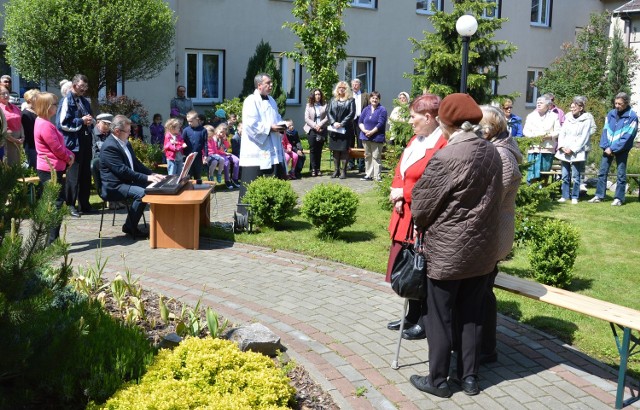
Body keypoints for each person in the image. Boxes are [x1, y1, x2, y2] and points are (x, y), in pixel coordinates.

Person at [410, 93, 503, 399]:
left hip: (448, 251)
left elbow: (421, 207)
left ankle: (438, 381)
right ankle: (470, 378)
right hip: (482, 250)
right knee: (472, 314)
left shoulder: (447, 156)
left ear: (446, 123)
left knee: (440, 316)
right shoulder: (492, 152)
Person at [385, 93, 447, 341]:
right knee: (406, 266)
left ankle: (423, 320)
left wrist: (405, 194)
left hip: (420, 215)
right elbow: (402, 169)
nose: (410, 122)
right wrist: (397, 190)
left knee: (420, 267)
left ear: (429, 117)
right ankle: (411, 315)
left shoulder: (441, 143)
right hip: (403, 214)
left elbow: (432, 182)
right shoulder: (416, 139)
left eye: (414, 117)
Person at [478, 105, 523, 364]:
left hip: (494, 234)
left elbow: (494, 197)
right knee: (482, 290)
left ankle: (486, 349)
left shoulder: (502, 155)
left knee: (483, 293)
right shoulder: (495, 148)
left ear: (490, 127)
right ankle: (483, 346)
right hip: (488, 232)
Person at [99, 115, 165, 239]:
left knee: (157, 186)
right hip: (114, 186)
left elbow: (136, 163)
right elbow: (123, 171)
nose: (130, 134)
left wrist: (151, 174)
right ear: (117, 131)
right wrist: (146, 178)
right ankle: (129, 226)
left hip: (126, 182)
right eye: (128, 131)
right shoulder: (109, 147)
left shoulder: (125, 142)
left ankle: (164, 224)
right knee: (143, 194)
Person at [238, 73, 287, 213]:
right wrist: (270, 128)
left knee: (271, 179)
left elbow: (277, 117)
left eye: (271, 83)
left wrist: (282, 125)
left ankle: (269, 212)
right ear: (259, 85)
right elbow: (250, 125)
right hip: (256, 148)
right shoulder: (250, 101)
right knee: (251, 182)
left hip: (271, 146)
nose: (271, 85)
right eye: (268, 83)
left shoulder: (272, 100)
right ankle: (246, 214)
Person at [33, 92, 75, 244]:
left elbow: (59, 146)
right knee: (56, 203)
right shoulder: (45, 125)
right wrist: (68, 157)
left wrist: (69, 154)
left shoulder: (43, 122)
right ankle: (52, 241)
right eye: (55, 104)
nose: (57, 107)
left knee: (54, 202)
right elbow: (56, 148)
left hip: (51, 167)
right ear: (47, 107)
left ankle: (52, 240)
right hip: (50, 169)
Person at [589, 92, 638, 206]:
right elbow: (605, 131)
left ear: (626, 103)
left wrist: (613, 148)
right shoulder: (611, 113)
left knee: (621, 174)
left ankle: (619, 198)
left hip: (622, 149)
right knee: (602, 172)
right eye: (615, 103)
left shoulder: (632, 116)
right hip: (607, 149)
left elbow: (629, 136)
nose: (617, 106)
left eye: (619, 104)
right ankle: (599, 196)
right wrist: (606, 146)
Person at [57, 74, 95, 217]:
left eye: (85, 87)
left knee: (85, 174)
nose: (83, 90)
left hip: (85, 141)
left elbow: (89, 117)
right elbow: (62, 124)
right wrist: (81, 121)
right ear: (73, 86)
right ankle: (71, 205)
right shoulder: (66, 101)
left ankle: (84, 204)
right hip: (74, 144)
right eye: (81, 87)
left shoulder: (84, 101)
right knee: (73, 176)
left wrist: (90, 121)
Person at [555, 96, 596, 204]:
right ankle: (565, 195)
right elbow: (562, 133)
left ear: (581, 108)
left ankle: (575, 196)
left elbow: (584, 137)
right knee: (564, 175)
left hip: (577, 152)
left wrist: (573, 149)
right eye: (571, 107)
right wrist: (562, 146)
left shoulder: (586, 119)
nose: (572, 109)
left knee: (576, 176)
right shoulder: (567, 117)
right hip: (564, 150)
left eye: (574, 107)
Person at [522, 95, 560, 184]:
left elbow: (558, 130)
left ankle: (543, 190)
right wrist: (534, 137)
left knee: (545, 171)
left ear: (547, 105)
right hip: (534, 148)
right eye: (537, 103)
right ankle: (532, 190)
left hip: (547, 148)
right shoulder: (531, 116)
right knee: (532, 171)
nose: (538, 104)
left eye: (541, 103)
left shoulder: (554, 116)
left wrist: (549, 136)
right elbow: (525, 130)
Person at [327, 81, 355, 179]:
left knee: (344, 151)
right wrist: (333, 122)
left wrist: (342, 123)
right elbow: (328, 112)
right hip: (334, 130)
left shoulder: (351, 100)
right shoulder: (332, 100)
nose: (341, 89)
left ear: (346, 89)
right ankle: (336, 170)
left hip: (345, 130)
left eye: (343, 88)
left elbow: (351, 113)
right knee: (335, 151)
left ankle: (343, 171)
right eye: (339, 87)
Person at [358, 91, 387, 181]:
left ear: (379, 100)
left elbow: (381, 123)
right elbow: (360, 121)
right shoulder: (366, 109)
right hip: (365, 136)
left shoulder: (382, 109)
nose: (374, 100)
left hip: (377, 137)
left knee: (376, 156)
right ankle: (368, 174)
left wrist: (372, 132)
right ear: (370, 99)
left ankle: (377, 176)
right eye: (373, 98)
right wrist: (364, 130)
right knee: (368, 156)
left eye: (376, 98)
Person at [303, 88, 328, 177]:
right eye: (316, 94)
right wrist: (315, 125)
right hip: (311, 130)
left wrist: (320, 125)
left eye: (319, 94)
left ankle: (318, 168)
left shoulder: (325, 105)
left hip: (321, 129)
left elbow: (327, 117)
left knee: (319, 150)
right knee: (313, 150)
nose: (318, 96)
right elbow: (306, 118)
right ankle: (313, 169)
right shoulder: (308, 105)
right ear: (313, 96)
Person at [0, 84, 24, 166]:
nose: (6, 95)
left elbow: (20, 122)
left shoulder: (15, 107)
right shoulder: (0, 109)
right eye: (3, 93)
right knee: (8, 163)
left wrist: (22, 136)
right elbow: (2, 128)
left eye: (7, 93)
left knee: (17, 163)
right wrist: (14, 140)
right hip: (7, 140)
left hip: (18, 138)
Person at [182, 110, 208, 183]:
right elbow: (181, 141)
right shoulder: (186, 130)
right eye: (188, 121)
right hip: (188, 155)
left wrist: (206, 155)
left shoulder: (203, 130)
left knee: (198, 174)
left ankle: (198, 190)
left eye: (191, 121)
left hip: (198, 156)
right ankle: (188, 191)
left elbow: (205, 144)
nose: (189, 123)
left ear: (197, 120)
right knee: (188, 174)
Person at [350, 78, 369, 172]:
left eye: (356, 84)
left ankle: (361, 164)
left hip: (361, 121)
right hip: (350, 120)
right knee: (350, 141)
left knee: (360, 141)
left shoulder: (365, 95)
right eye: (353, 84)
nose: (354, 86)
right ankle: (351, 163)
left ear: (360, 85)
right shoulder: (348, 95)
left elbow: (369, 108)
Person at [21, 89, 40, 169]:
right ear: (30, 99)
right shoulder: (25, 114)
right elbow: (28, 132)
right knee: (32, 167)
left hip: (38, 145)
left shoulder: (37, 112)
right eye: (37, 98)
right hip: (31, 145)